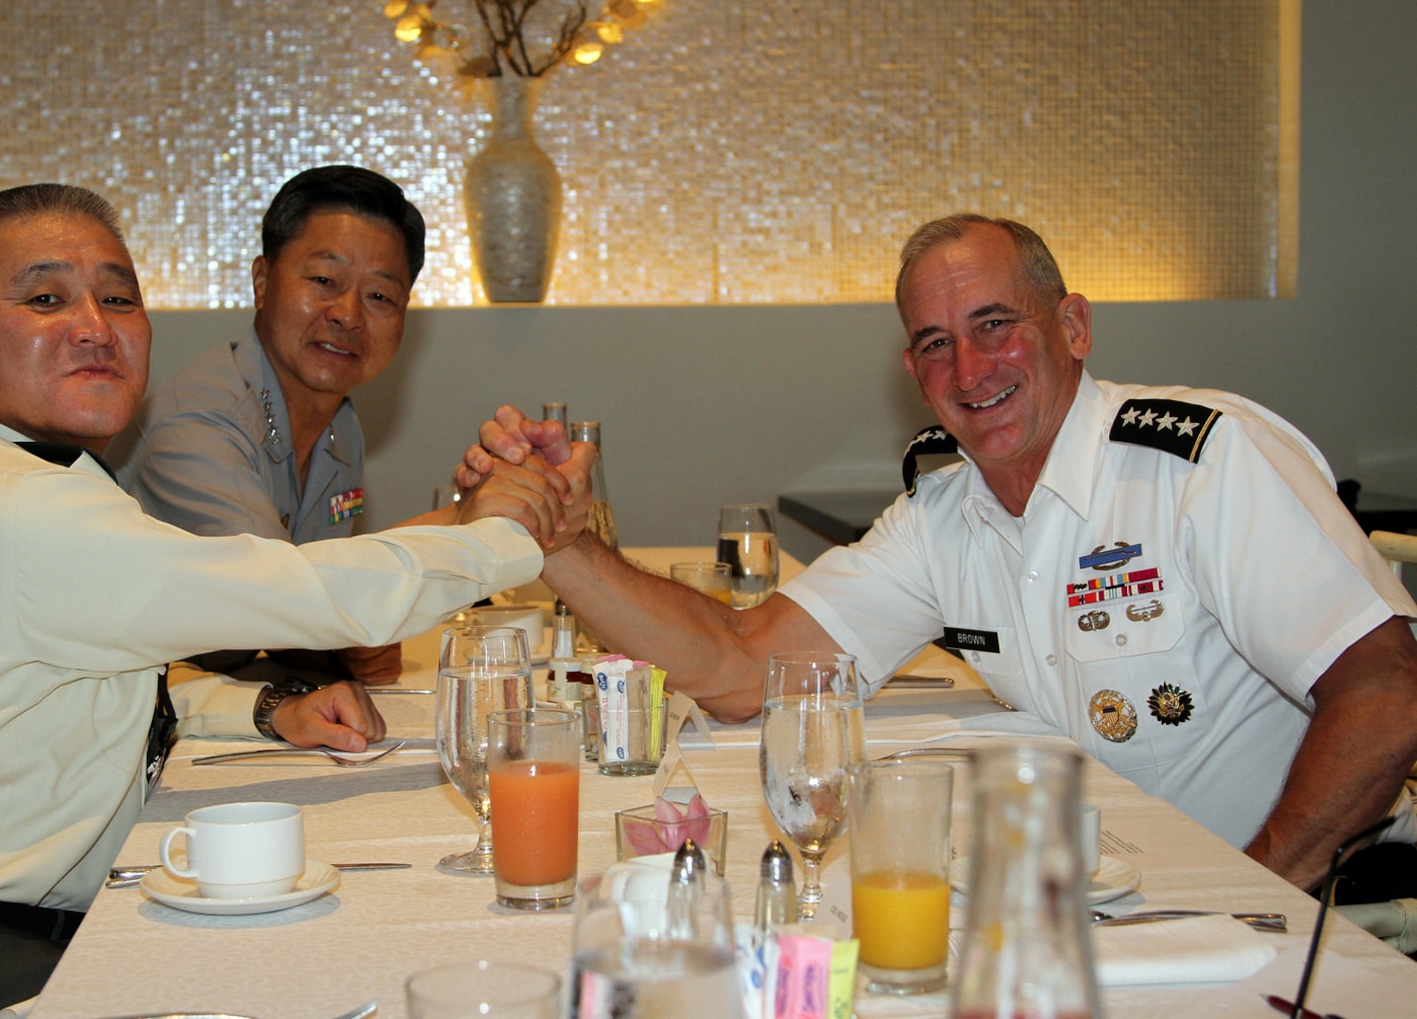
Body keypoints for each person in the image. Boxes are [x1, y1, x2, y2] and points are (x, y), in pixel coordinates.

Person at [0, 183, 590, 1016]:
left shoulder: (26, 481)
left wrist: (264, 710)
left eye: (118, 298)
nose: (95, 327)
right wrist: (521, 534)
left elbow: (92, 678)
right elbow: (297, 592)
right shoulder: (10, 507)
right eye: (44, 298)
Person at [467, 214, 1417, 894]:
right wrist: (553, 541)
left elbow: (1386, 695)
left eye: (994, 325)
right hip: (1082, 903)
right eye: (933, 344)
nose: (969, 371)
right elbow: (740, 668)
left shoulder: (1201, 462)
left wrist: (1252, 897)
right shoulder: (946, 508)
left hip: (1300, 897)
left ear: (1073, 326)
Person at [115, 165, 451, 686]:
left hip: (222, 685)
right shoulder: (200, 422)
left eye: (380, 296)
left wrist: (346, 654)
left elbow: (293, 619)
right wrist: (466, 519)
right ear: (262, 281)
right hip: (127, 704)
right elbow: (280, 591)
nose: (348, 314)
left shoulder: (340, 424)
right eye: (323, 281)